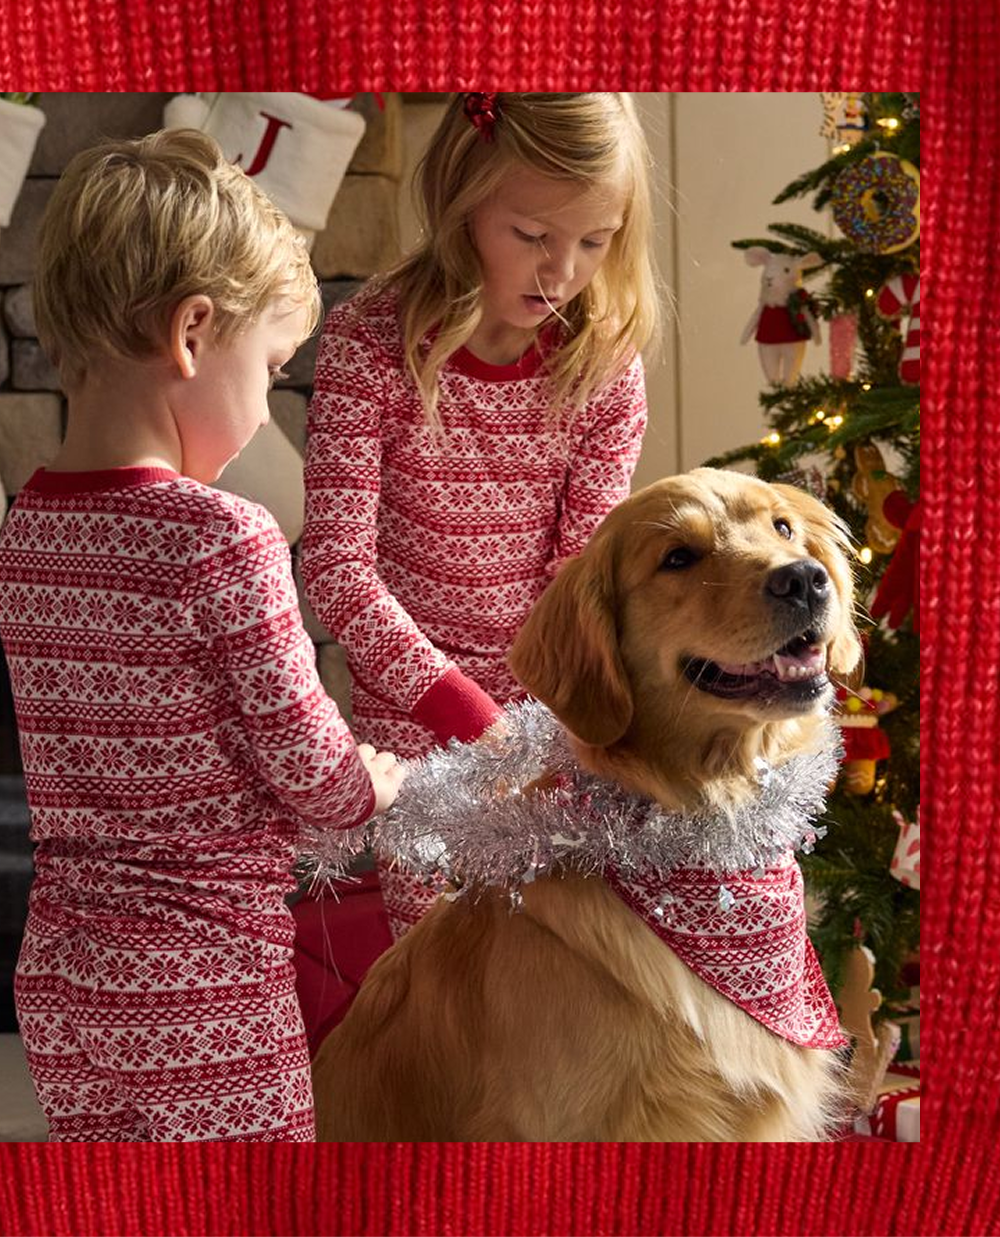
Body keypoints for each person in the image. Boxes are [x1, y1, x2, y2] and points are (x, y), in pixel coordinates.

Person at [0, 129, 404, 1142]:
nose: (266, 412)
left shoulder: (25, 537)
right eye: (269, 370)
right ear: (192, 333)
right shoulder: (223, 536)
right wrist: (374, 780)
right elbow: (315, 776)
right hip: (203, 984)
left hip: (63, 983)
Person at [301, 92, 661, 945]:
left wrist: (548, 725)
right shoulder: (370, 343)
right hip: (409, 709)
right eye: (532, 235)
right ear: (463, 203)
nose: (562, 270)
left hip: (548, 704)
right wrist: (461, 710)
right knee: (439, 958)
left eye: (595, 241)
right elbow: (338, 569)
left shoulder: (603, 367)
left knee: (552, 954)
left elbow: (583, 574)